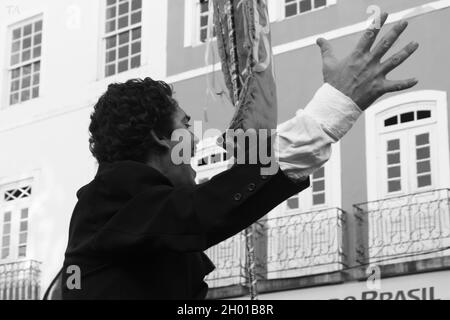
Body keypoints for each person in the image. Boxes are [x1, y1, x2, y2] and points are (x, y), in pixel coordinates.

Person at [60, 14, 418, 299]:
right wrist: (333, 107)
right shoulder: (108, 201)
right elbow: (201, 212)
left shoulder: (150, 226)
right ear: (158, 136)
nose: (197, 139)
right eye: (186, 124)